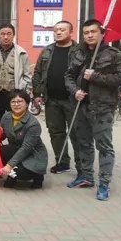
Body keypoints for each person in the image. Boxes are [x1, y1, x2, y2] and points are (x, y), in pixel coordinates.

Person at [64, 19, 121, 201]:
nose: (90, 35)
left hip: (102, 108)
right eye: (86, 32)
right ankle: (86, 176)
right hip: (81, 106)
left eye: (93, 32)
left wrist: (96, 76)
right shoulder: (78, 53)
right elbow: (68, 76)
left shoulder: (113, 54)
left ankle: (104, 183)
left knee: (104, 146)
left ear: (101, 33)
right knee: (83, 143)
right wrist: (75, 91)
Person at [32, 20, 80, 174]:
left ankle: (82, 166)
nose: (58, 32)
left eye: (62, 30)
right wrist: (37, 94)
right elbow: (37, 72)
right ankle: (62, 162)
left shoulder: (79, 51)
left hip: (73, 100)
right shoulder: (47, 51)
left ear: (71, 32)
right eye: (56, 30)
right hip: (51, 99)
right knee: (56, 132)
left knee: (77, 133)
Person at [0, 23, 32, 126]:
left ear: (13, 35)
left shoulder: (21, 53)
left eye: (9, 34)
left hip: (14, 94)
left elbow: (27, 75)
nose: (6, 37)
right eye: (3, 34)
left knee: (15, 123)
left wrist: (24, 92)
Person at [0, 89, 48, 189]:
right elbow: (1, 134)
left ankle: (38, 176)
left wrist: (9, 165)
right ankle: (12, 171)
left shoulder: (33, 124)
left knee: (20, 173)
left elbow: (26, 148)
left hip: (32, 154)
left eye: (20, 101)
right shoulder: (6, 116)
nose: (16, 104)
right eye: (13, 101)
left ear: (27, 104)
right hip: (15, 149)